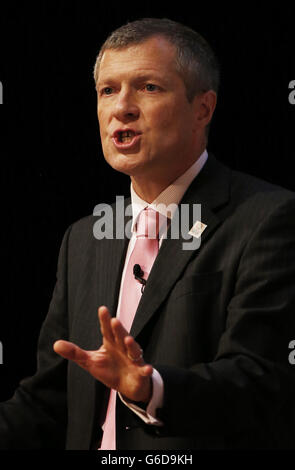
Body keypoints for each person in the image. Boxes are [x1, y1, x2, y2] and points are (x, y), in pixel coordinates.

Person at [1, 17, 295, 450]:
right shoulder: (83, 240)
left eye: (148, 87)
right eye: (108, 90)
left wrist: (150, 387)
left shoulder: (268, 219)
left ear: (203, 108)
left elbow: (262, 380)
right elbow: (48, 402)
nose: (122, 107)